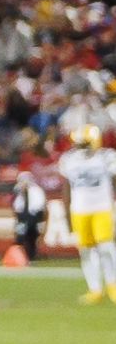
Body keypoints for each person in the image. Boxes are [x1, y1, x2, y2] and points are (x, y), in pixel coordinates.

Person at [64, 118, 115, 301]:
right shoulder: (69, 159)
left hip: (102, 207)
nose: (82, 147)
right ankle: (95, 289)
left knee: (107, 248)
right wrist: (66, 216)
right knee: (86, 251)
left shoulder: (107, 157)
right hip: (80, 210)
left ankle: (112, 286)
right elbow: (66, 188)